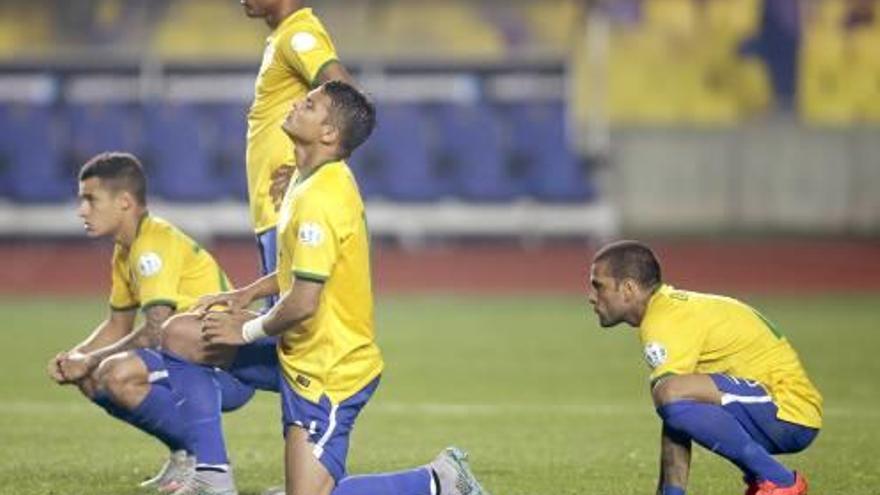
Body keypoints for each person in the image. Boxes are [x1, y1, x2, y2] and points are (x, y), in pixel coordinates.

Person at [181, 80, 491, 495]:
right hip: (293, 348)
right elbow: (300, 272)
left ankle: (438, 480)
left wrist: (246, 329)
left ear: (329, 133)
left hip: (328, 371)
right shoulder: (304, 177)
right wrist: (247, 295)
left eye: (309, 104)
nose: (295, 104)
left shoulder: (322, 197)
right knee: (181, 335)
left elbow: (305, 300)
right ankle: (211, 475)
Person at [156, 2, 358, 492]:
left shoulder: (299, 35)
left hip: (287, 219)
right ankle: (302, 470)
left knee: (293, 345)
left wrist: (319, 166)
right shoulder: (284, 37)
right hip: (278, 219)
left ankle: (227, 468)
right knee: (289, 345)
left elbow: (344, 95)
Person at [46, 152, 254, 492]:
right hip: (189, 360)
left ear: (124, 202)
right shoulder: (125, 249)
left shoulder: (152, 246)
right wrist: (75, 357)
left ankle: (208, 465)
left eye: (90, 199)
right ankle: (186, 454)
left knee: (115, 373)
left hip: (225, 367)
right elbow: (118, 323)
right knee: (90, 376)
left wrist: (92, 359)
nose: (82, 210)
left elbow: (158, 328)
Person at [586, 240, 822, 495]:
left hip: (788, 411)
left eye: (599, 286)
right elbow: (677, 417)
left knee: (670, 392)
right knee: (673, 399)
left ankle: (780, 481)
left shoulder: (665, 320)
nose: (591, 297)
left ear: (628, 288)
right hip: (773, 409)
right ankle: (765, 478)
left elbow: (672, 397)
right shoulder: (667, 310)